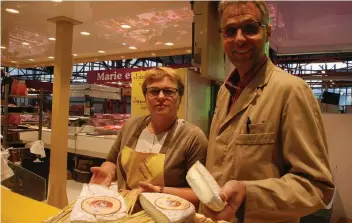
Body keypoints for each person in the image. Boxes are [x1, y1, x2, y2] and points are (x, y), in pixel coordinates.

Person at [202, 1, 335, 222]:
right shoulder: (225, 92)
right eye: (230, 31)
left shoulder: (291, 90)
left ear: (268, 32)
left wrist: (248, 195)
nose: (239, 38)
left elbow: (316, 186)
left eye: (250, 28)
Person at [90, 67, 208, 206]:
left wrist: (160, 191)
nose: (161, 97)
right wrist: (107, 173)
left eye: (169, 91)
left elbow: (202, 193)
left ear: (180, 98)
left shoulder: (193, 137)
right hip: (126, 211)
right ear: (146, 97)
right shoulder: (130, 126)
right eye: (154, 91)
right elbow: (111, 161)